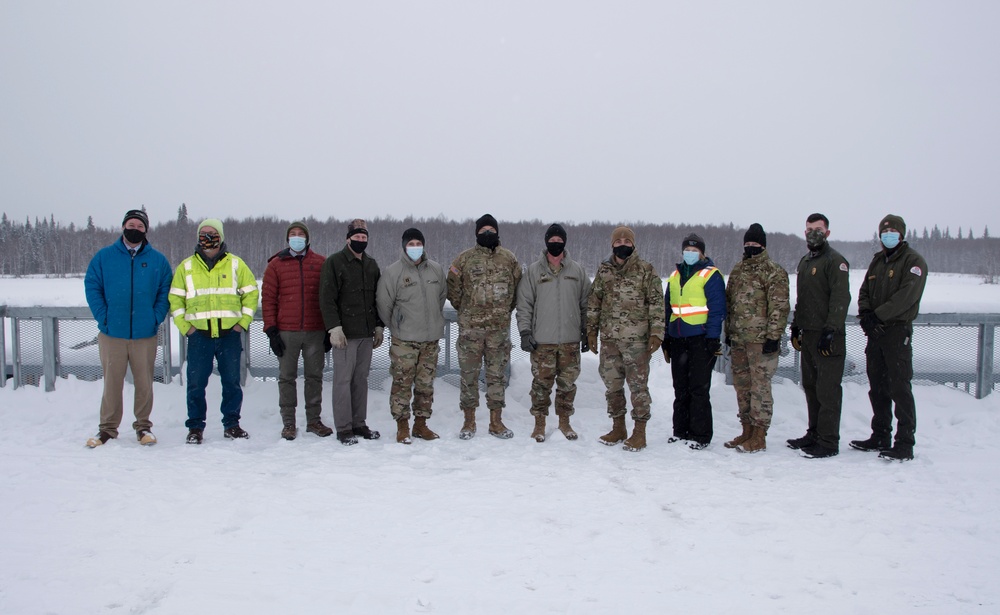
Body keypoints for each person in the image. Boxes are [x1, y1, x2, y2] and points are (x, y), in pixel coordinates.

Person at [83, 209, 172, 448]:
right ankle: (107, 429)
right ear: (123, 226)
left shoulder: (157, 260)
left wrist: (155, 317)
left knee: (144, 382)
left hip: (145, 334)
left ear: (146, 231)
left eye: (140, 226)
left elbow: (165, 291)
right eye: (131, 224)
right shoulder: (104, 257)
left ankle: (143, 427)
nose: (135, 229)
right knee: (112, 382)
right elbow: (92, 287)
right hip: (113, 333)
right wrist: (104, 318)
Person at [169, 219, 259, 444]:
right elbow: (176, 299)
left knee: (231, 382)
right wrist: (186, 328)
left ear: (221, 236)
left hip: (229, 334)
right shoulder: (186, 267)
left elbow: (251, 294)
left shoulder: (236, 264)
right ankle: (196, 428)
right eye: (204, 233)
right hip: (199, 336)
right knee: (196, 383)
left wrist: (243, 322)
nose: (208, 237)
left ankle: (232, 424)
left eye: (212, 233)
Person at [850, 214, 928, 462]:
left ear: (902, 234)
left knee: (899, 387)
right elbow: (864, 292)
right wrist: (866, 316)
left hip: (896, 331)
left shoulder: (913, 262)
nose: (888, 235)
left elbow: (906, 296)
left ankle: (904, 442)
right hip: (875, 333)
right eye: (884, 231)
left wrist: (878, 316)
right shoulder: (877, 262)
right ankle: (880, 434)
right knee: (878, 387)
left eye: (893, 231)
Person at [587, 226, 665, 452]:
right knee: (612, 386)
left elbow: (657, 305)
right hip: (610, 341)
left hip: (637, 343)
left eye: (627, 241)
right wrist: (591, 331)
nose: (623, 244)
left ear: (633, 244)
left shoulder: (646, 270)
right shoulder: (604, 271)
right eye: (618, 240)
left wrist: (656, 333)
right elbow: (594, 303)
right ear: (612, 244)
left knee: (638, 388)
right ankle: (618, 427)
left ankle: (639, 432)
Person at [447, 214, 522, 439]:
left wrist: (503, 311)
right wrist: (468, 311)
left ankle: (496, 422)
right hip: (471, 331)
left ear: (497, 232)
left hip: (498, 331)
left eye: (491, 229)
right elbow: (453, 289)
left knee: (496, 376)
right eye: (483, 230)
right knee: (468, 376)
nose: (487, 233)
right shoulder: (464, 259)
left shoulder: (508, 259)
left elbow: (517, 289)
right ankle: (468, 422)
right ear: (476, 233)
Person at [516, 223, 592, 442]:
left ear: (565, 243)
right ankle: (539, 423)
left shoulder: (576, 271)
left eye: (560, 240)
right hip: (542, 342)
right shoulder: (534, 271)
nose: (556, 243)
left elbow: (586, 303)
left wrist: (587, 332)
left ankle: (564, 422)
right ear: (546, 242)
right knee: (541, 385)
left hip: (569, 341)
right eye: (552, 240)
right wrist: (524, 332)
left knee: (568, 385)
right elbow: (524, 304)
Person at [786, 213, 851, 458]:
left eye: (818, 228)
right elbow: (803, 299)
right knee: (811, 387)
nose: (813, 232)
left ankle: (828, 440)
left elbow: (840, 298)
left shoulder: (835, 261)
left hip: (828, 337)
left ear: (827, 232)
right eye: (809, 229)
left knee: (828, 390)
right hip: (809, 334)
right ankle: (814, 433)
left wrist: (831, 330)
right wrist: (796, 326)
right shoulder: (805, 262)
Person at [261, 221, 332, 441]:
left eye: (301, 234)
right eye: (293, 234)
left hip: (315, 331)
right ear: (287, 239)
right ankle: (289, 423)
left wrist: (329, 329)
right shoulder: (276, 265)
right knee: (286, 378)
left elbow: (329, 298)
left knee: (314, 377)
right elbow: (269, 300)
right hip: (287, 332)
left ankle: (313, 421)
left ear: (308, 238)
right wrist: (271, 331)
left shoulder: (321, 263)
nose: (297, 237)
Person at [723, 223, 790, 453]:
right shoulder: (738, 270)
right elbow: (729, 303)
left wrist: (774, 336)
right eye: (747, 243)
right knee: (742, 387)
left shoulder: (773, 271)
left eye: (755, 244)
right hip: (739, 339)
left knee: (760, 387)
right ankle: (746, 430)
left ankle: (759, 435)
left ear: (763, 245)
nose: (751, 247)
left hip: (761, 342)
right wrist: (729, 332)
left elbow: (779, 306)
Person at [376, 228, 447, 444]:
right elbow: (384, 304)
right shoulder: (393, 272)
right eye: (411, 244)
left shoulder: (435, 270)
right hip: (404, 341)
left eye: (418, 244)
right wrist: (399, 326)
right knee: (402, 384)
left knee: (425, 385)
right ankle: (402, 426)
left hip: (430, 340)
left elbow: (441, 297)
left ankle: (421, 425)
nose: (415, 248)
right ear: (404, 246)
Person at [320, 219, 383, 445]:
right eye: (356, 237)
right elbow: (327, 298)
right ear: (348, 239)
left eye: (364, 238)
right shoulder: (335, 262)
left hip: (366, 334)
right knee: (342, 381)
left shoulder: (371, 264)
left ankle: (359, 423)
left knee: (361, 380)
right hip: (345, 335)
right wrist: (333, 327)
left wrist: (378, 325)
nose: (360, 241)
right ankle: (344, 428)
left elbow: (377, 299)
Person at [664, 233, 726, 450]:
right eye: (687, 251)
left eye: (694, 251)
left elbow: (717, 309)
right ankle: (680, 432)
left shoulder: (711, 275)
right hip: (678, 339)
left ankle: (700, 435)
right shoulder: (674, 275)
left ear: (702, 253)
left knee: (698, 389)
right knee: (680, 388)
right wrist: (666, 336)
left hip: (700, 340)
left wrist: (712, 338)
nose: (690, 254)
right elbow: (668, 308)